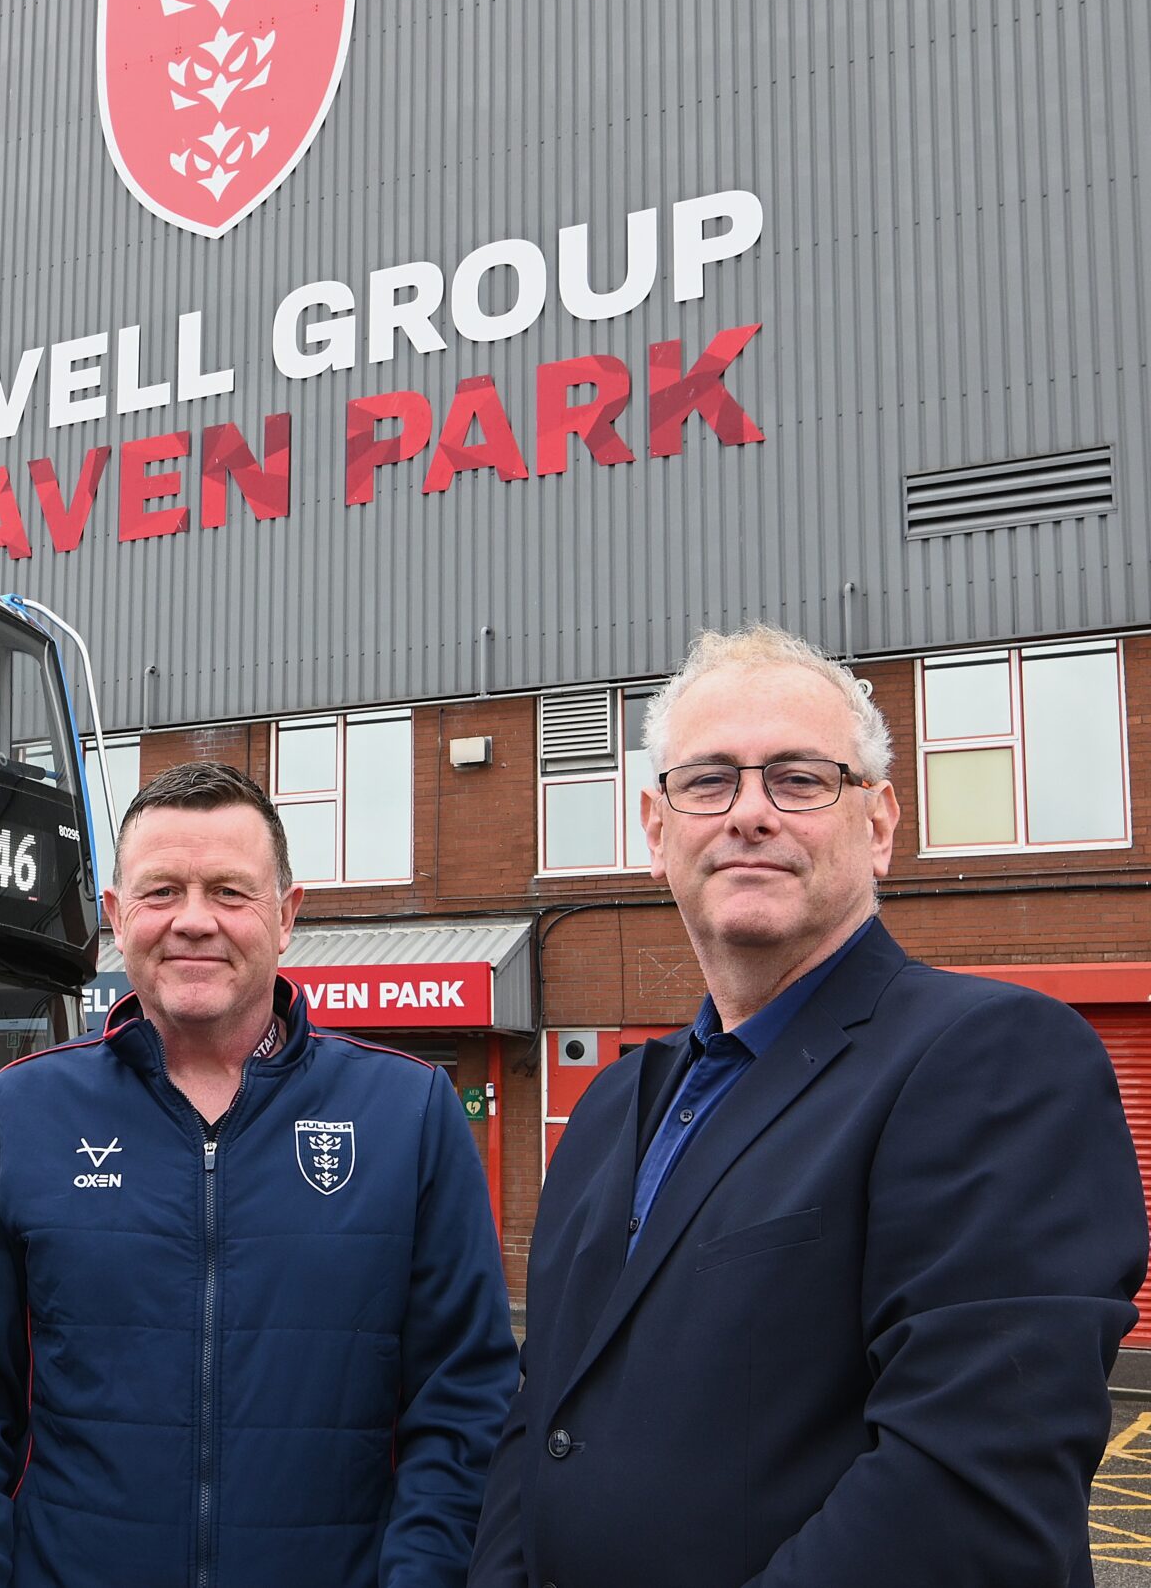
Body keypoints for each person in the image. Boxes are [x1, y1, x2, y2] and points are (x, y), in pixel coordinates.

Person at [472, 625, 1148, 1588]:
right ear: (658, 832)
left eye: (798, 778)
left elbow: (968, 1490)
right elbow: (543, 1414)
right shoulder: (612, 1102)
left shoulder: (991, 1060)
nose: (750, 813)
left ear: (877, 826)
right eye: (708, 780)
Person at [0, 759, 518, 1588]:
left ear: (285, 916)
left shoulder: (410, 1112)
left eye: (228, 891)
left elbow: (465, 1395)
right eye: (160, 892)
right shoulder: (20, 1112)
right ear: (116, 916)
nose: (193, 921)